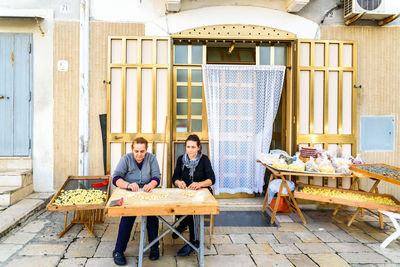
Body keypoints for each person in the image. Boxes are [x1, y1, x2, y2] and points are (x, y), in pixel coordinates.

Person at [112, 137, 161, 265]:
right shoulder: (126, 159)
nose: (139, 154)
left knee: (152, 217)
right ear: (132, 150)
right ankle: (118, 251)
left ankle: (154, 248)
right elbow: (116, 178)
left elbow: (157, 177)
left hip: (148, 192)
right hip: (130, 192)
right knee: (127, 218)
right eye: (136, 151)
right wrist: (128, 184)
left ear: (146, 150)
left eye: (142, 151)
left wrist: (152, 184)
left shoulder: (151, 159)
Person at [172, 134, 215, 257]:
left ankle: (194, 242)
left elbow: (212, 179)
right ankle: (183, 223)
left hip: (201, 191)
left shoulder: (204, 160)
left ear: (198, 147)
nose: (190, 150)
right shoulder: (181, 159)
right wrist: (178, 182)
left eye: (193, 147)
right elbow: (174, 178)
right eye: (188, 147)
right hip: (186, 191)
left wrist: (199, 183)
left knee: (194, 209)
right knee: (177, 203)